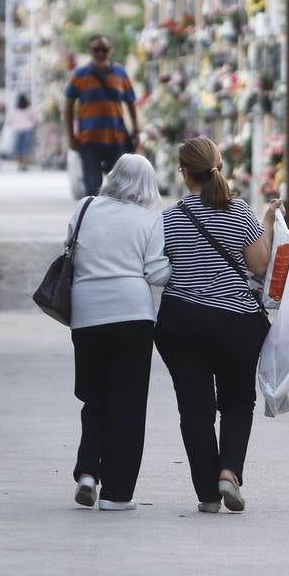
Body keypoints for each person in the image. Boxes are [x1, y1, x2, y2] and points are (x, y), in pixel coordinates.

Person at [154, 136, 283, 514]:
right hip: (236, 324)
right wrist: (268, 225)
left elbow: (158, 268)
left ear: (184, 173)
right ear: (218, 168)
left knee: (194, 409)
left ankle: (207, 495)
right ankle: (229, 472)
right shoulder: (240, 212)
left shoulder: (170, 218)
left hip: (183, 322)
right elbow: (260, 266)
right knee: (238, 401)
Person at [67, 154, 171, 511]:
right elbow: (157, 272)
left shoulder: (85, 207)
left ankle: (87, 472)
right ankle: (117, 494)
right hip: (133, 316)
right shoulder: (149, 219)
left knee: (94, 396)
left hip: (86, 314)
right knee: (127, 403)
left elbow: (72, 251)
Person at [63, 35, 140, 196]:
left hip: (116, 139)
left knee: (120, 188)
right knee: (92, 188)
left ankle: (116, 219)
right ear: (90, 51)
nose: (100, 53)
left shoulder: (120, 73)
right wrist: (71, 136)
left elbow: (131, 102)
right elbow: (68, 107)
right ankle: (94, 218)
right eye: (96, 49)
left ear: (111, 50)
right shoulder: (80, 75)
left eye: (104, 49)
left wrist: (136, 131)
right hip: (88, 140)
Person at [5, 93, 38, 171]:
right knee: (26, 148)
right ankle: (25, 165)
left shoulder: (15, 109)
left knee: (19, 148)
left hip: (17, 130)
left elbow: (10, 120)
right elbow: (35, 119)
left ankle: (20, 164)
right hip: (28, 130)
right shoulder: (29, 108)